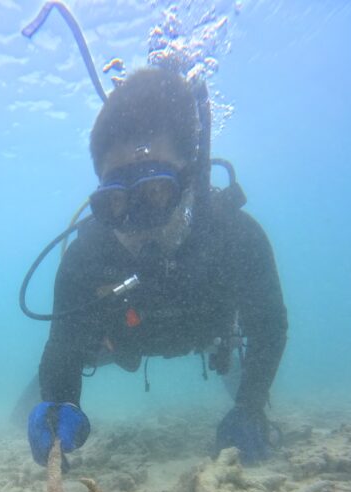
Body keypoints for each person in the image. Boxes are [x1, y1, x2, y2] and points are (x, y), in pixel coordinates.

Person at [27, 67, 288, 468]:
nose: (136, 223)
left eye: (155, 192)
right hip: (120, 342)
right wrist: (58, 403)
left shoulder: (236, 237)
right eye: (117, 200)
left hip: (212, 336)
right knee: (52, 392)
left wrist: (251, 404)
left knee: (243, 385)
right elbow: (63, 345)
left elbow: (268, 325)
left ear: (192, 180)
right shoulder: (86, 258)